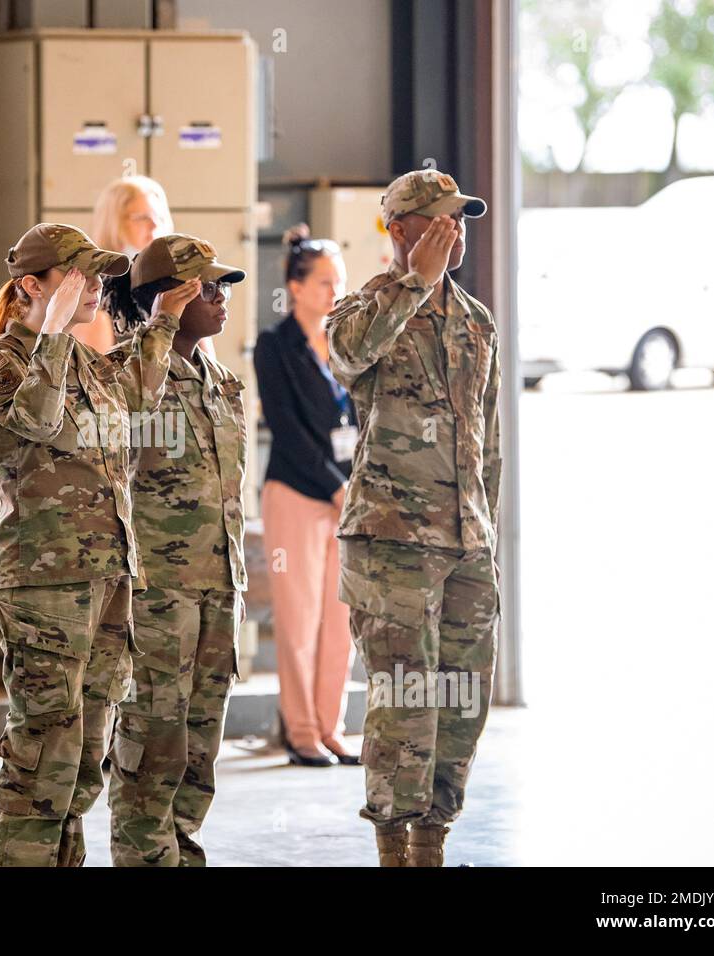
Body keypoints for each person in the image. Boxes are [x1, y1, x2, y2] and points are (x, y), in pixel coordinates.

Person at [0, 223, 189, 867]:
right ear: (33, 285)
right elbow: (35, 418)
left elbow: (141, 398)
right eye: (79, 275)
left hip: (108, 576)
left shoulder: (86, 361)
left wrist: (163, 321)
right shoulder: (2, 360)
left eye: (98, 275)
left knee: (87, 753)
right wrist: (55, 332)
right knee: (44, 755)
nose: (95, 287)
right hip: (44, 583)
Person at [326, 169, 501, 867]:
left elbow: (488, 439)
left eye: (459, 221)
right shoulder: (362, 308)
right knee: (405, 700)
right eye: (437, 222)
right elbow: (347, 358)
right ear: (399, 231)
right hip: (391, 542)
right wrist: (413, 283)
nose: (453, 233)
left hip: (466, 542)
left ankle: (433, 839)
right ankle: (393, 848)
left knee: (463, 699)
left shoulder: (476, 320)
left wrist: (487, 527)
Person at [103, 234, 247, 866]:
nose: (219, 298)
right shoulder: (126, 371)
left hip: (217, 590)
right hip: (156, 597)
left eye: (221, 286)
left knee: (198, 753)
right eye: (203, 286)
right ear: (165, 296)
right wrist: (158, 329)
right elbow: (120, 425)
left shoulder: (222, 380)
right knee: (151, 751)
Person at [254, 226, 360, 768]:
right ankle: (300, 731)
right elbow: (288, 431)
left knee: (341, 617)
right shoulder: (276, 347)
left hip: (347, 498)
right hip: (298, 492)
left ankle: (331, 725)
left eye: (339, 282)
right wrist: (336, 487)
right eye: (324, 282)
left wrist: (354, 488)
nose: (334, 292)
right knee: (298, 619)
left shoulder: (346, 344)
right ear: (295, 287)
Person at [73, 175, 175, 353]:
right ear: (113, 221)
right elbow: (94, 374)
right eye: (142, 217)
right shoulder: (91, 285)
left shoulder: (171, 280)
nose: (154, 225)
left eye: (159, 216)